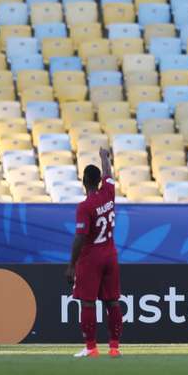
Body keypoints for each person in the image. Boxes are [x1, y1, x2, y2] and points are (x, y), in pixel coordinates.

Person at [66, 147, 122, 358]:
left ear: (83, 181)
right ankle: (114, 347)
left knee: (88, 302)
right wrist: (104, 157)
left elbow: (80, 237)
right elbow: (109, 174)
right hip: (111, 255)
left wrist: (72, 265)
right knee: (113, 301)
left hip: (91, 258)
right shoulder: (109, 193)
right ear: (99, 181)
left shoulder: (84, 206)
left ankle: (91, 348)